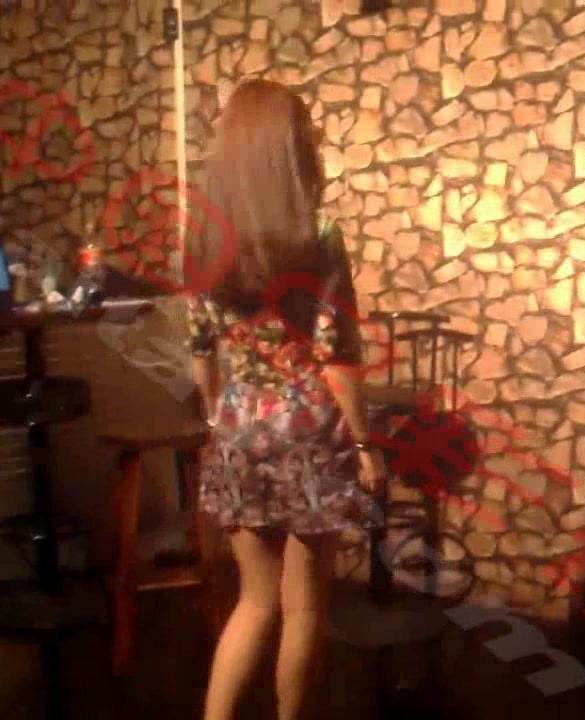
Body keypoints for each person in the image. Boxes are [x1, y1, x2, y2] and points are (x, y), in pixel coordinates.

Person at [184, 78, 386, 720]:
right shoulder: (317, 233)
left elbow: (200, 346)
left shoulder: (204, 236)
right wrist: (364, 443)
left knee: (253, 600)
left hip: (238, 426)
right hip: (308, 432)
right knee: (303, 607)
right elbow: (337, 351)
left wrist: (216, 413)